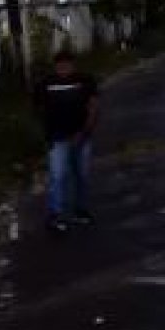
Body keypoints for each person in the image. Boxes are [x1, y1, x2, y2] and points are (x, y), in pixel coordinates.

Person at [35, 50, 99, 234]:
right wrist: (46, 132)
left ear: (73, 64)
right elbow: (39, 109)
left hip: (81, 136)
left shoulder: (85, 80)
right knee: (57, 175)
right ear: (55, 66)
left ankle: (80, 210)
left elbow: (93, 107)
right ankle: (55, 215)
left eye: (67, 64)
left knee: (81, 175)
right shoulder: (46, 83)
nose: (63, 68)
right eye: (59, 65)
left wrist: (85, 131)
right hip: (57, 138)